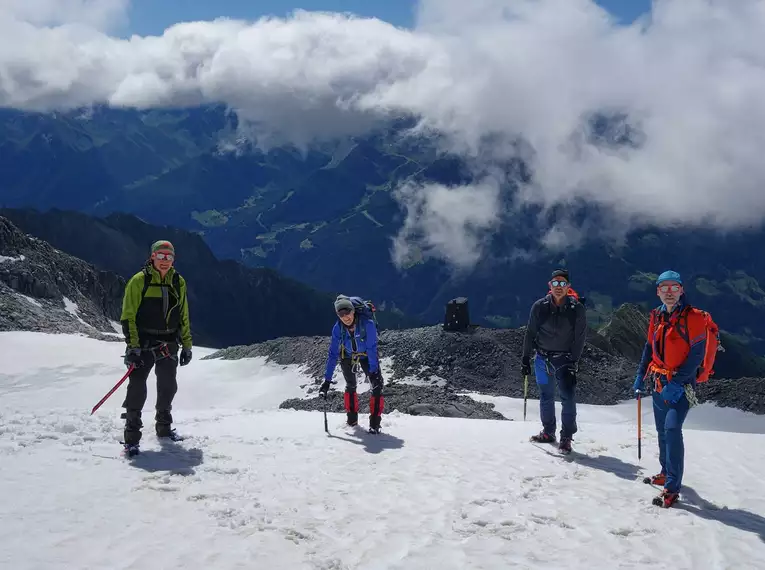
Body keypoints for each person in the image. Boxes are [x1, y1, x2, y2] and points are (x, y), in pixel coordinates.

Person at [632, 270, 706, 508]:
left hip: (680, 386)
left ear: (682, 290)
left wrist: (678, 383)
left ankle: (672, 487)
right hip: (658, 382)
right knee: (663, 431)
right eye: (665, 287)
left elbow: (697, 354)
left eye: (674, 287)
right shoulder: (656, 316)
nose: (670, 292)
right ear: (658, 291)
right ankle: (666, 472)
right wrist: (639, 377)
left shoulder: (694, 318)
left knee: (672, 430)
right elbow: (648, 349)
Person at [119, 240, 193, 455]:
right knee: (137, 389)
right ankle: (131, 438)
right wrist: (133, 347)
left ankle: (164, 429)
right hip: (142, 345)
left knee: (168, 387)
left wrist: (186, 345)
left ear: (174, 259)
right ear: (152, 256)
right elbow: (128, 316)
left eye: (168, 257)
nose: (164, 261)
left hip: (169, 344)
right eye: (160, 256)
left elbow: (184, 315)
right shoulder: (139, 281)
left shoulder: (179, 282)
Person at [521, 269, 587, 454]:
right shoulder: (539, 307)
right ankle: (549, 432)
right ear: (550, 286)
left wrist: (573, 360)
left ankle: (566, 437)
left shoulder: (577, 309)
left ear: (568, 286)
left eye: (562, 283)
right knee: (546, 396)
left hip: (563, 360)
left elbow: (580, 337)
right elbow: (530, 332)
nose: (559, 287)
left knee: (567, 399)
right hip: (542, 359)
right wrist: (525, 358)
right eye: (555, 283)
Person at [320, 295, 384, 434]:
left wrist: (373, 373)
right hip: (347, 355)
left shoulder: (368, 324)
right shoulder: (337, 329)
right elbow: (332, 354)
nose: (345, 317)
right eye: (341, 314)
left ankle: (374, 424)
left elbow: (372, 348)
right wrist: (327, 380)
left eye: (347, 312)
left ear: (353, 310)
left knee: (377, 385)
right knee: (350, 385)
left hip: (366, 355)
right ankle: (352, 420)